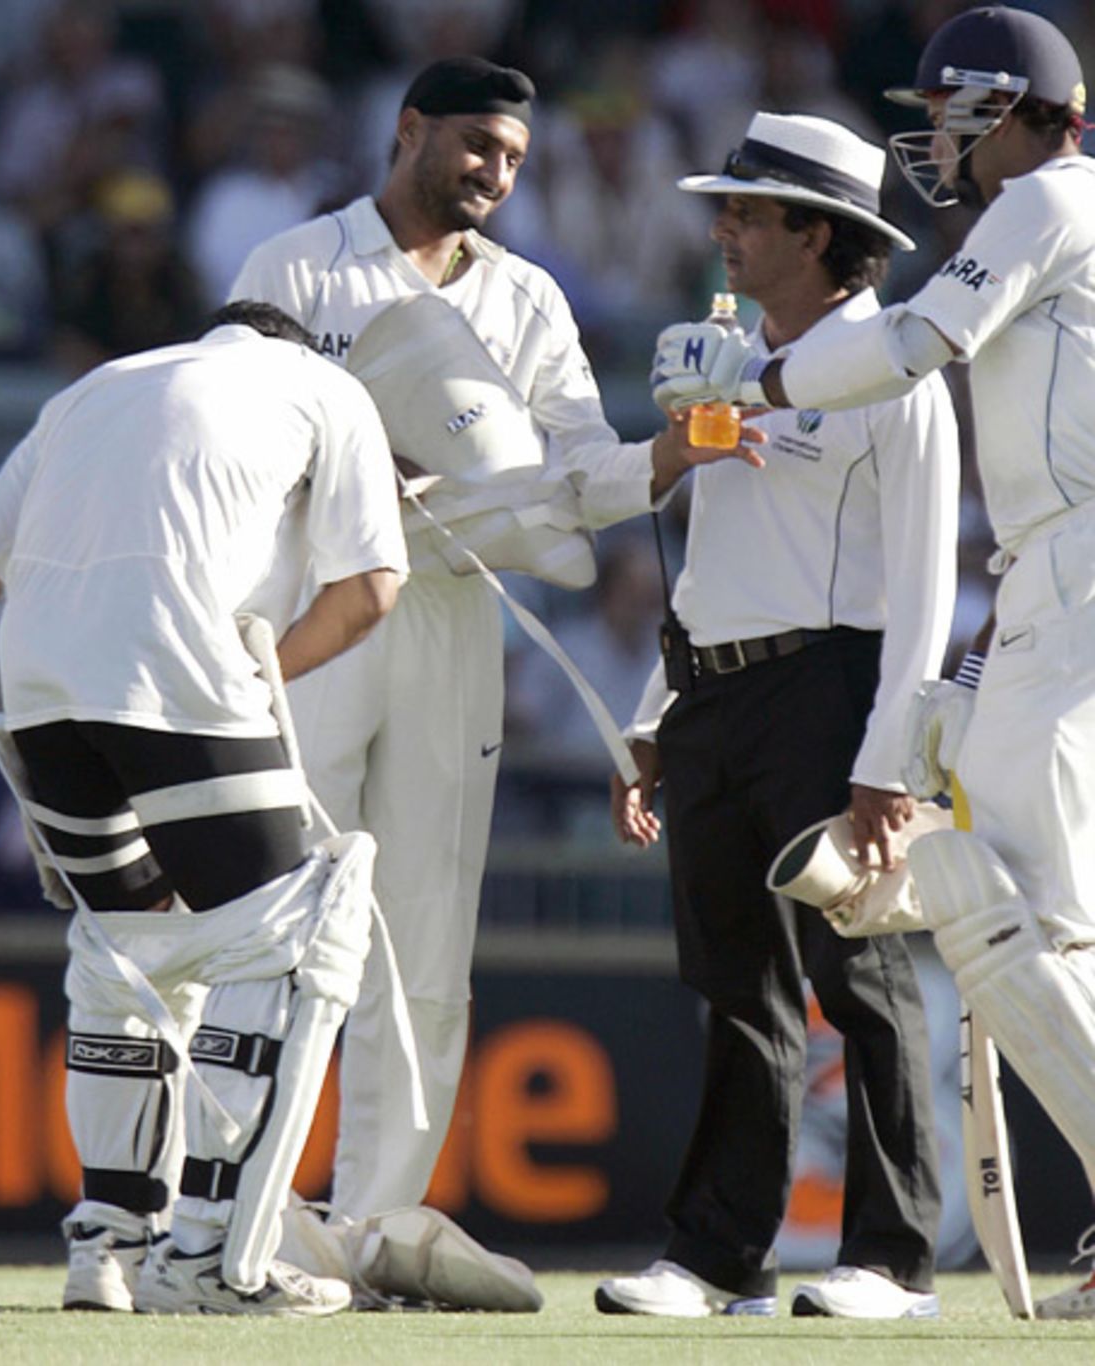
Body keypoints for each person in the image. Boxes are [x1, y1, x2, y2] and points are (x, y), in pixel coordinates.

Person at [228, 55, 756, 1296]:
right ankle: (225, 1205)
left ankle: (371, 1225)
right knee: (271, 910)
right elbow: (233, 426)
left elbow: (572, 467)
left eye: (514, 159)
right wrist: (360, 474)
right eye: (473, 146)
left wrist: (666, 460)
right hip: (311, 601)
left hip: (452, 613)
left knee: (422, 931)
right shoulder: (299, 266)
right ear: (408, 130)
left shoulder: (526, 298)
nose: (494, 174)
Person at [649, 7, 1095, 1321]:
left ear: (1015, 107)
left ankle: (894, 1253)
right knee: (1047, 912)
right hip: (1046, 571)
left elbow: (913, 344)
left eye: (956, 109)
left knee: (991, 894)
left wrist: (764, 382)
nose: (940, 136)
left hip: (1069, 557)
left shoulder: (1048, 195)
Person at [0, 299, 409, 1316]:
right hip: (182, 671)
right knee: (291, 943)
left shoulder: (92, 389)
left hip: (41, 693)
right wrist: (258, 672)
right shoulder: (325, 385)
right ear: (291, 343)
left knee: (121, 954)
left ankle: (105, 1245)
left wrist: (24, 701)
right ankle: (208, 1256)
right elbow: (371, 584)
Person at [596, 110, 958, 1320]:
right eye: (729, 207)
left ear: (822, 234)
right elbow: (715, 561)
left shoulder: (897, 368)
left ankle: (892, 1259)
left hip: (834, 688)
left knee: (860, 978)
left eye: (750, 211)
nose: (725, 229)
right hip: (716, 690)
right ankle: (715, 1254)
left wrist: (890, 755)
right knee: (736, 984)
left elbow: (926, 584)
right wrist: (657, 715)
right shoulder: (724, 354)